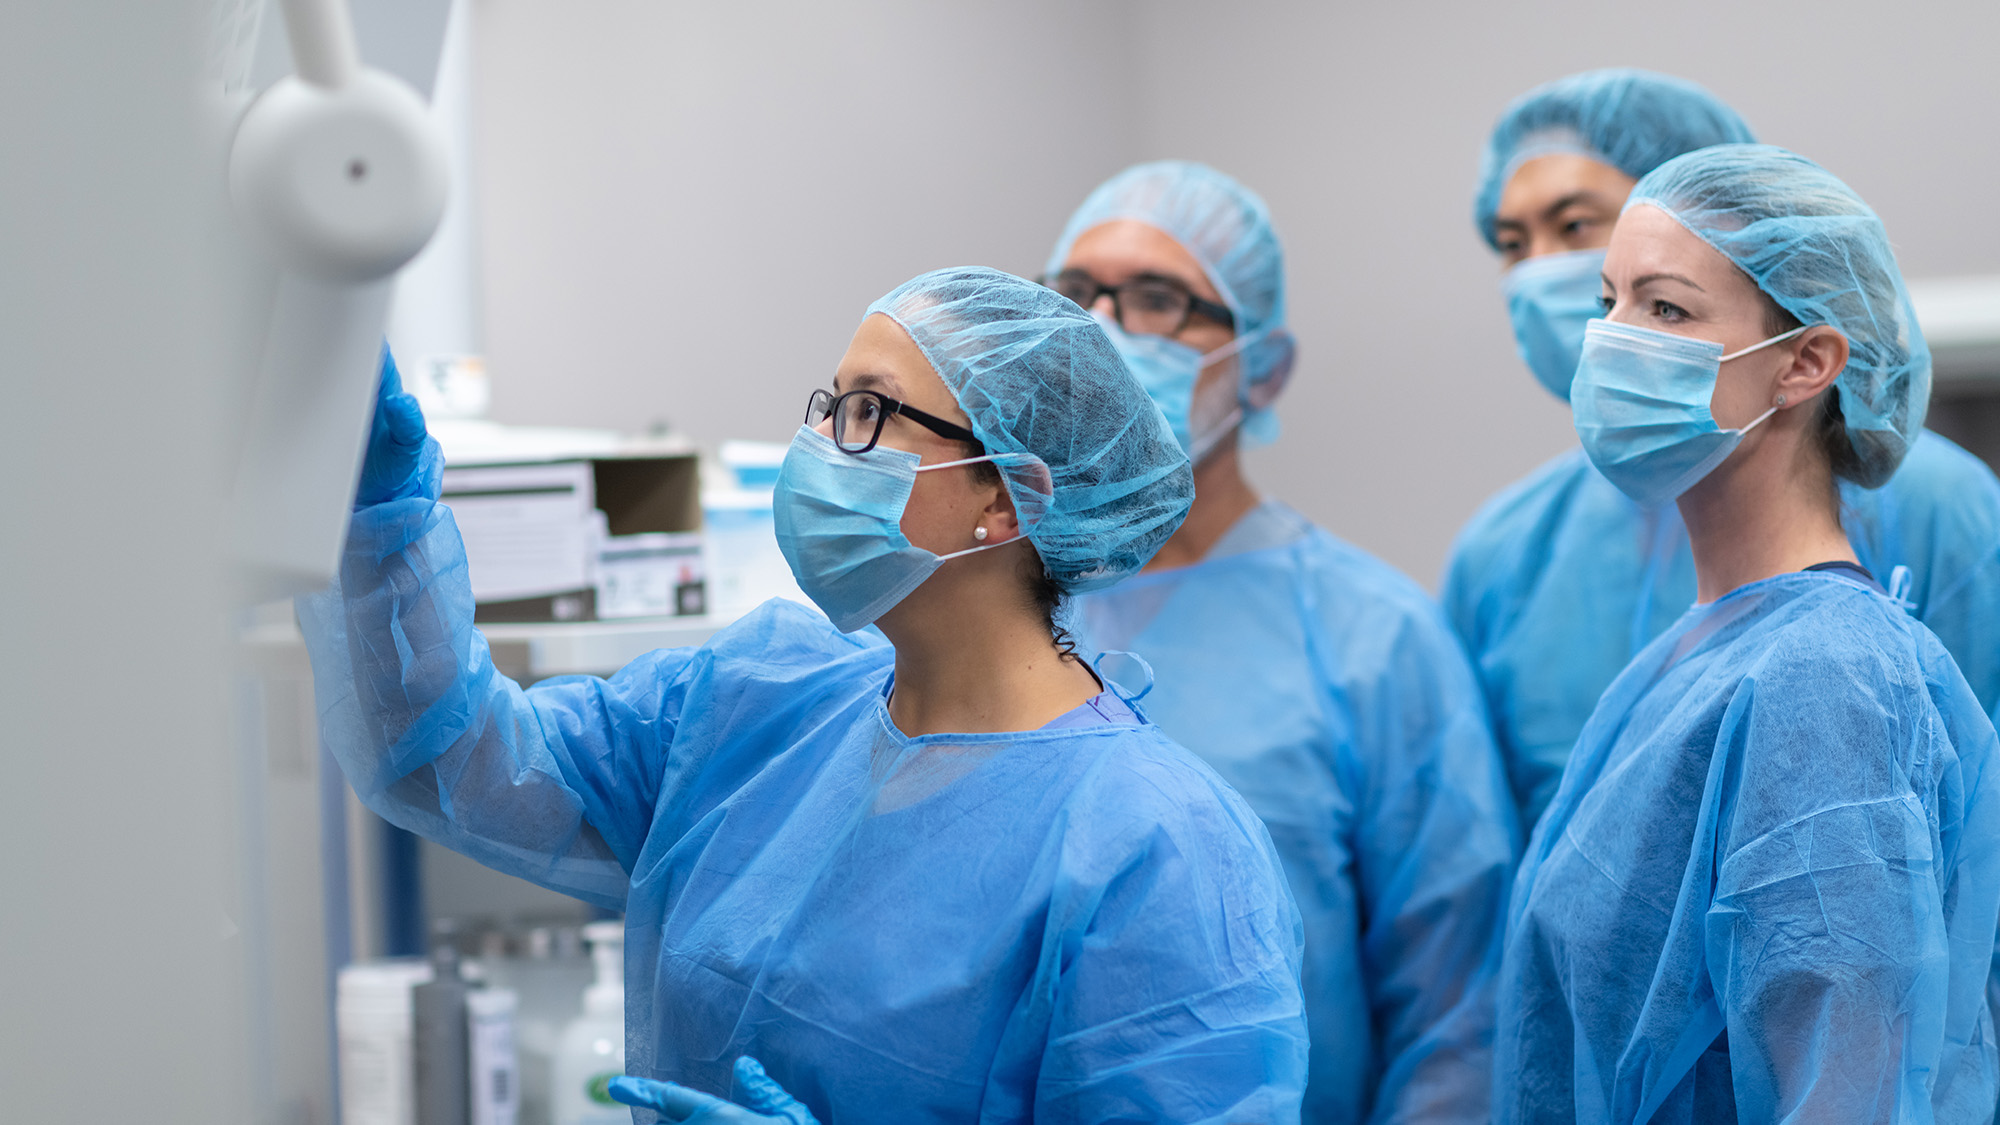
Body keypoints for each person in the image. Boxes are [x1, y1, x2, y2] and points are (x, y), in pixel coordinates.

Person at [299, 267, 1312, 1123]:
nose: (822, 447)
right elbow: (452, 758)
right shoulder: (755, 704)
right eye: (825, 408)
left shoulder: (1155, 851)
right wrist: (378, 521)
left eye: (868, 414)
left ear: (1006, 496)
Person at [1494, 143, 2000, 1122]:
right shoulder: (1699, 652)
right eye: (1608, 302)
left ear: (1804, 363)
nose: (1608, 340)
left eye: (1664, 308)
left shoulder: (1826, 682)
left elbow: (1843, 1090)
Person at [1044, 160, 1519, 1123]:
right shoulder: (999, 607)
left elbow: (1459, 1016)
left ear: (1263, 366)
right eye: (1076, 295)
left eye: (1156, 299)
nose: (1101, 328)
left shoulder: (1369, 638)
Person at [1445, 69, 2000, 831]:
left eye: (1574, 226)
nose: (1539, 273)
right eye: (1513, 244)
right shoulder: (1507, 553)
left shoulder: (1940, 511)